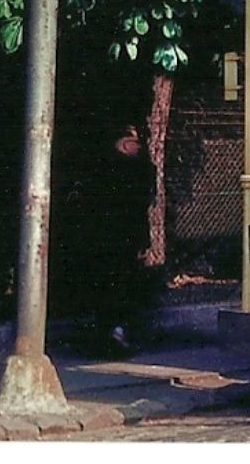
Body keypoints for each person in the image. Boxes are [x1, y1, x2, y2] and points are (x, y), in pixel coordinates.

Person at [101, 123, 156, 352]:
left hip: (123, 234)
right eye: (134, 143)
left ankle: (118, 330)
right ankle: (117, 330)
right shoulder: (127, 169)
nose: (138, 148)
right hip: (120, 233)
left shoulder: (133, 168)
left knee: (123, 282)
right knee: (122, 283)